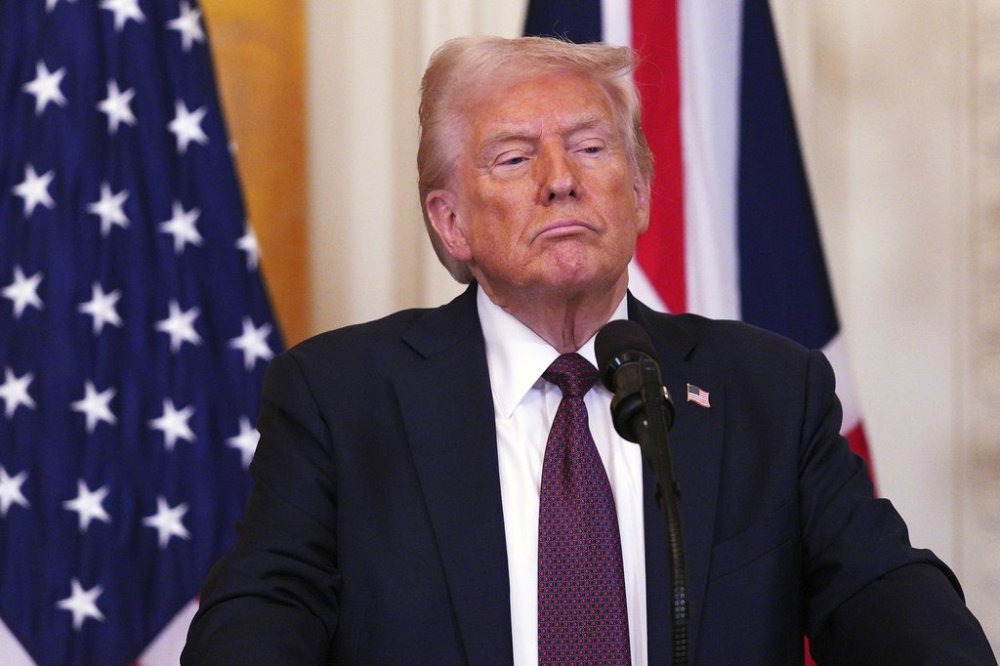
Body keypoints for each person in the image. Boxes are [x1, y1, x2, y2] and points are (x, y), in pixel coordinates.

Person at [182, 36, 995, 665]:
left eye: (591, 147)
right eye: (513, 157)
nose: (561, 179)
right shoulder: (343, 397)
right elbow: (263, 614)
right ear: (451, 222)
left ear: (639, 192)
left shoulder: (767, 390)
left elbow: (883, 592)